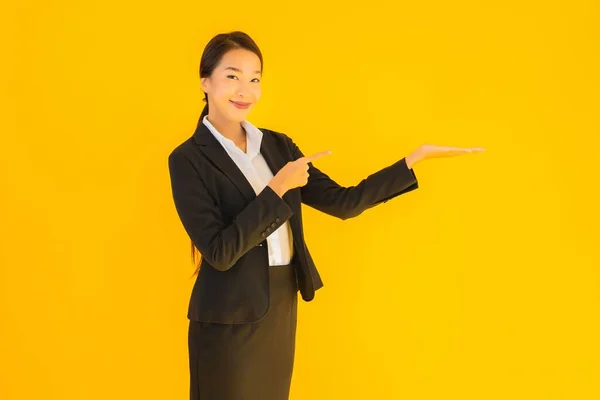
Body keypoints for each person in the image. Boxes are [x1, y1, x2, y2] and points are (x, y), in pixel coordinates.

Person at [167, 30, 485, 400]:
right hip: (226, 320)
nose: (245, 90)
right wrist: (278, 189)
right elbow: (219, 252)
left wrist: (413, 160)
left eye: (255, 79)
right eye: (232, 76)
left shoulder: (277, 145)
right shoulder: (188, 159)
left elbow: (343, 202)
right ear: (206, 81)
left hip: (279, 307)